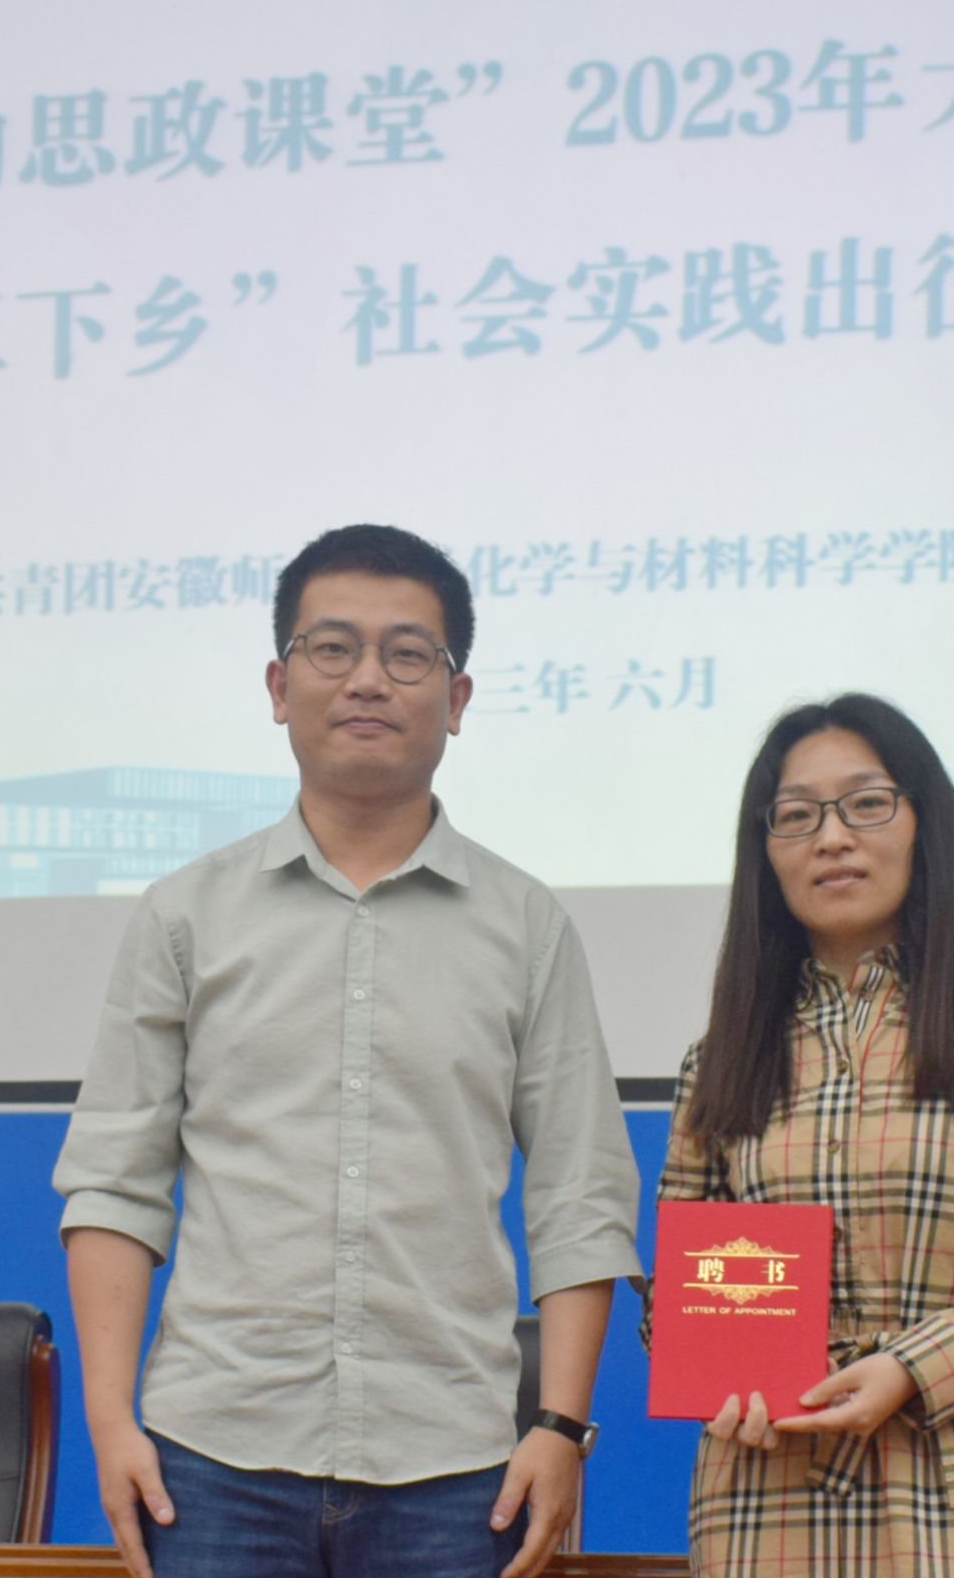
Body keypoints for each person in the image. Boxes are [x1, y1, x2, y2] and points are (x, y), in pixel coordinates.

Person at [54, 522, 642, 1578]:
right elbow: (114, 1179)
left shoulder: (527, 924)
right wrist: (109, 1422)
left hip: (454, 1466)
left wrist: (560, 1427)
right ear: (280, 687)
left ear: (456, 700)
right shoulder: (185, 914)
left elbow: (579, 1193)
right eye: (333, 649)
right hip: (212, 1459)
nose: (368, 679)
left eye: (407, 654)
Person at [654, 693, 954, 1578]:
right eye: (797, 816)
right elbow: (683, 1285)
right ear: (766, 851)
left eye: (867, 804)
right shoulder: (720, 1057)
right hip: (766, 1489)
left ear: (924, 823)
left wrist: (915, 1366)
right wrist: (713, 1367)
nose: (832, 838)